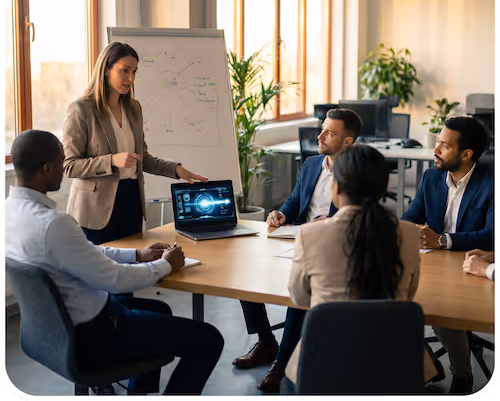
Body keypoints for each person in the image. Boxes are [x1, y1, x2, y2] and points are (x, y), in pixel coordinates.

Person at [5, 130, 224, 395]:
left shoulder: (10, 213)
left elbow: (86, 251)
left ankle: (137, 394)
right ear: (47, 167)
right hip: (95, 335)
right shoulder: (54, 225)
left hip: (55, 331)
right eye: (61, 163)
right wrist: (167, 264)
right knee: (209, 340)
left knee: (160, 310)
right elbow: (116, 280)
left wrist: (137, 255)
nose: (64, 171)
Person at [233, 108, 362, 393]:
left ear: (347, 142)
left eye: (330, 132)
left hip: (330, 250)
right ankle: (267, 342)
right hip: (296, 237)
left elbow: (361, 216)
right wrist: (281, 214)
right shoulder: (313, 163)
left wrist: (335, 221)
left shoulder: (358, 172)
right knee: (244, 276)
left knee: (299, 289)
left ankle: (282, 359)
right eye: (322, 128)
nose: (320, 135)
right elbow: (295, 201)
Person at [285, 145, 421, 391]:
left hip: (324, 363)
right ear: (384, 187)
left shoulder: (310, 234)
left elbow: (299, 296)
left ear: (336, 187)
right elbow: (408, 295)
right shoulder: (409, 234)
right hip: (392, 363)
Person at [62, 41, 208, 246]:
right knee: (100, 274)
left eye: (134, 72)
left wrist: (176, 170)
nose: (130, 78)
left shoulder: (133, 108)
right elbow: (70, 166)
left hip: (131, 201)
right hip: (94, 210)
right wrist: (111, 160)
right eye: (124, 71)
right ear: (105, 69)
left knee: (132, 268)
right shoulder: (82, 109)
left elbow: (143, 159)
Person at [401, 116, 493, 394]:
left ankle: (462, 376)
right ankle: (428, 364)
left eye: (444, 145)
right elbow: (409, 218)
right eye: (437, 142)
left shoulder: (492, 181)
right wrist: (413, 230)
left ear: (466, 155)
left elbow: (492, 234)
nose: (435, 150)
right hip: (434, 264)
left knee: (439, 307)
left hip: (473, 266)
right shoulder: (431, 177)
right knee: (394, 299)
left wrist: (443, 240)